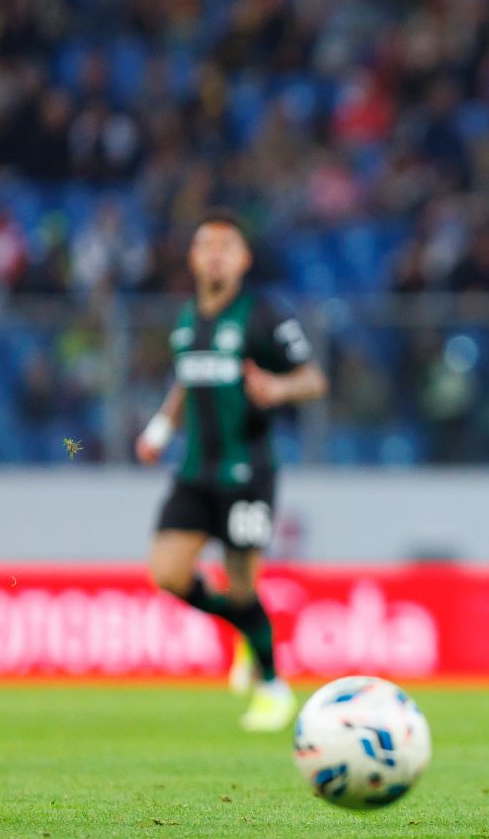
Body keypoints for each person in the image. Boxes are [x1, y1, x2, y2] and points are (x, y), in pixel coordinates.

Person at [136, 210, 328, 731]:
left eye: (227, 246)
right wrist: (161, 428)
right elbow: (186, 380)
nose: (216, 254)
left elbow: (314, 379)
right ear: (193, 258)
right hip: (194, 471)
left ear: (244, 259)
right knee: (168, 574)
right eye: (207, 245)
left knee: (243, 585)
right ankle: (250, 630)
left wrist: (278, 387)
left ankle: (272, 686)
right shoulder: (186, 320)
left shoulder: (265, 315)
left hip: (248, 472)